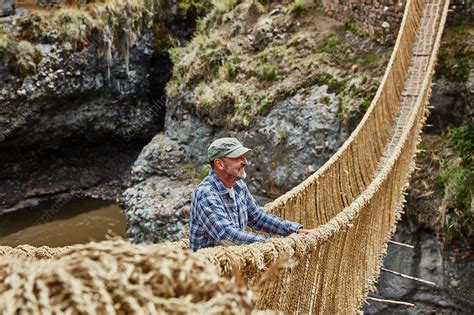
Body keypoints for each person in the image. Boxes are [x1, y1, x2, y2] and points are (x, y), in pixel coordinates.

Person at [189, 137, 316, 251]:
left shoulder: (238, 185)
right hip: (209, 273)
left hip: (234, 268)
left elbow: (257, 217)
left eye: (243, 156)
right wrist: (279, 243)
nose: (245, 161)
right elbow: (227, 234)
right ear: (219, 164)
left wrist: (295, 229)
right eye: (237, 157)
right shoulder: (206, 193)